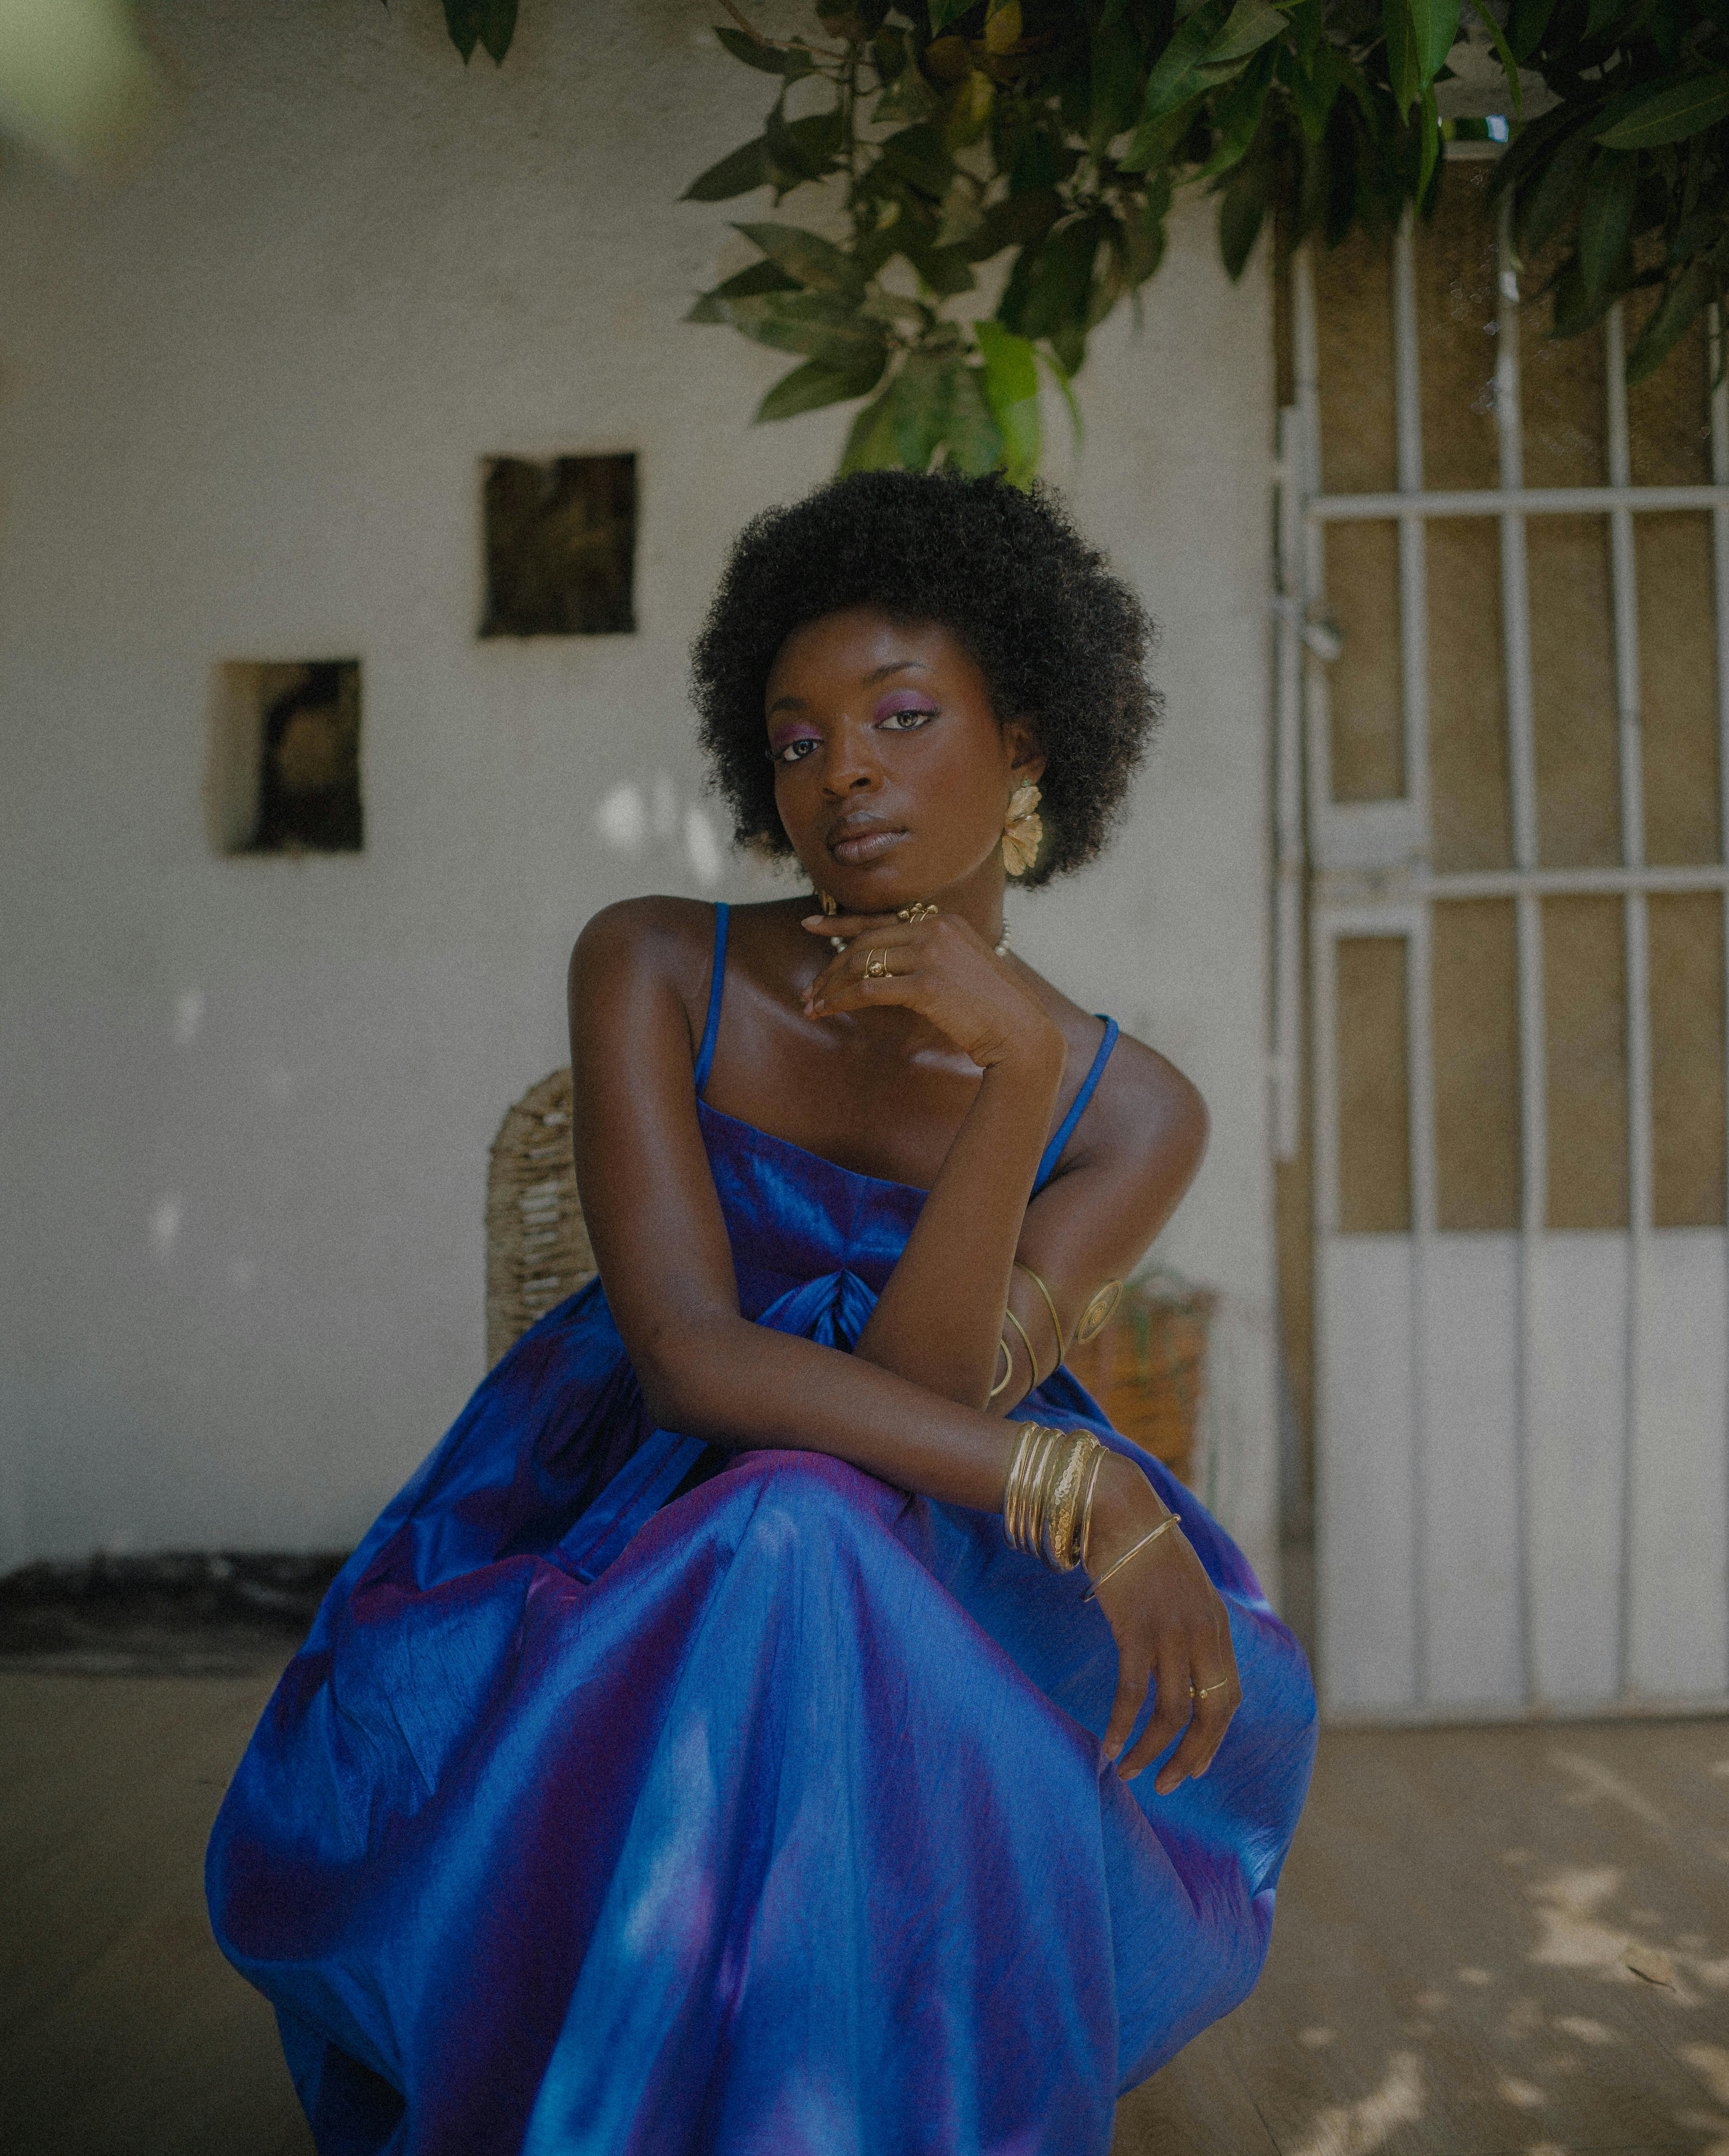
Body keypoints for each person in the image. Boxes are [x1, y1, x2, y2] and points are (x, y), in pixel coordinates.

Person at [208, 469, 1317, 2156]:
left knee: (816, 1535)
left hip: (938, 1530)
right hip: (630, 1517)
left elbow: (931, 1383)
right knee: (789, 1528)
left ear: (1027, 744)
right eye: (797, 739)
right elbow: (690, 1365)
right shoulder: (652, 962)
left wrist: (1017, 1063)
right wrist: (1078, 1484)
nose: (845, 769)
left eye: (900, 715)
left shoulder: (1131, 1107)